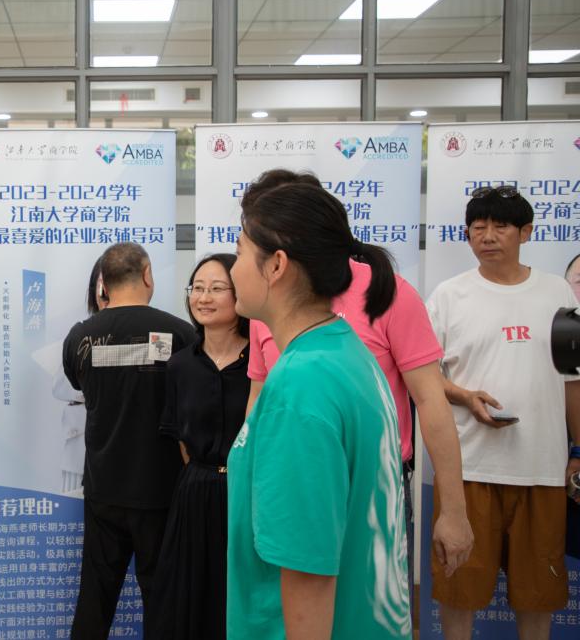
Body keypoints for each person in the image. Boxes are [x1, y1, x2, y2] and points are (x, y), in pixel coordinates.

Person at [242, 169, 473, 597]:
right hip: (289, 482)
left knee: (369, 608)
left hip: (372, 486)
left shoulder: (387, 291)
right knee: (292, 608)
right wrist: (248, 485)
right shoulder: (263, 305)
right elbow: (258, 401)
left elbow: (431, 401)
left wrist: (453, 511)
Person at [226, 182, 411, 640]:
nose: (232, 269)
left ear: (276, 265)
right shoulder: (343, 350)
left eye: (239, 251)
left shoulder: (300, 386)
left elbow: (308, 570)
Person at [426, 186, 580, 640]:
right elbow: (423, 376)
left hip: (542, 469)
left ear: (525, 232)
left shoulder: (556, 292)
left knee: (539, 595)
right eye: (478, 227)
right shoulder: (449, 295)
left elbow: (572, 379)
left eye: (501, 226)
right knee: (459, 589)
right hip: (468, 470)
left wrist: (577, 451)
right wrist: (464, 395)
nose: (488, 236)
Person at [62, 242, 196, 638]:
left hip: (103, 488)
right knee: (162, 597)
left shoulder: (81, 336)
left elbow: (78, 384)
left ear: (103, 283)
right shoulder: (181, 333)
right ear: (148, 275)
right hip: (161, 490)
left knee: (95, 597)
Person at [149, 253, 250, 640]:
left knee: (239, 596)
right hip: (195, 497)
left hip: (247, 493)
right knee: (191, 600)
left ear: (240, 295)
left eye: (217, 288)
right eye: (198, 288)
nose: (204, 298)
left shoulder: (262, 362)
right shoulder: (180, 365)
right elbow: (181, 443)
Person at [53, 257, 108, 495]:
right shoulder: (82, 334)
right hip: (79, 441)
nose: (107, 293)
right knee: (73, 504)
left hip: (124, 449)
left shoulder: (140, 331)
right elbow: (60, 387)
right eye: (103, 285)